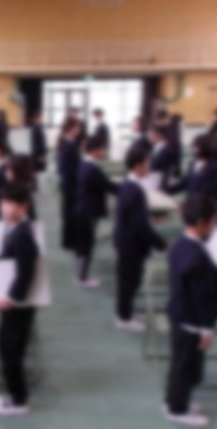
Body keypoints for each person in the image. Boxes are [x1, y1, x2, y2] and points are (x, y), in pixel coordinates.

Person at [163, 196, 217, 428]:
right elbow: (203, 298)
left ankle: (173, 401)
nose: (215, 224)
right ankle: (177, 410)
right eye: (213, 220)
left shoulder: (180, 245)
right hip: (192, 321)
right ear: (201, 222)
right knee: (186, 367)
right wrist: (206, 329)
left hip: (178, 314)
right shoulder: (197, 256)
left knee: (179, 364)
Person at [0, 183, 39, 417]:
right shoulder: (13, 228)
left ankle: (19, 401)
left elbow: (25, 274)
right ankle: (13, 394)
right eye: (3, 203)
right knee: (5, 347)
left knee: (11, 353)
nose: (5, 208)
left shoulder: (23, 235)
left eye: (11, 204)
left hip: (18, 305)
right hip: (10, 301)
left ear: (24, 207)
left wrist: (11, 298)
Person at [113, 146, 167, 331]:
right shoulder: (134, 190)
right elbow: (139, 225)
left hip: (126, 240)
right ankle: (123, 318)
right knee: (129, 282)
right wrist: (160, 243)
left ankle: (127, 311)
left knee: (130, 280)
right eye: (147, 163)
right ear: (138, 166)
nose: (149, 167)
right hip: (131, 244)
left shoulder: (128, 185)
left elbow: (136, 217)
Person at [74, 135, 118, 288]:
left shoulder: (85, 164)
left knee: (84, 244)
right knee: (87, 244)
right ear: (94, 150)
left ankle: (81, 275)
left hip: (83, 208)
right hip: (88, 211)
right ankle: (83, 277)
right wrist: (129, 189)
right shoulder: (92, 168)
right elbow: (108, 186)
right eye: (102, 149)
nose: (103, 152)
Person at [167, 134, 217, 203]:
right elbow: (185, 182)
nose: (194, 149)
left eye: (196, 147)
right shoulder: (193, 164)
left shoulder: (215, 167)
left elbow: (212, 190)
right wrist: (167, 190)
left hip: (204, 205)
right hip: (191, 203)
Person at [57, 117, 83, 251]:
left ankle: (69, 240)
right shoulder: (69, 144)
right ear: (71, 128)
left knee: (69, 212)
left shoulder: (67, 142)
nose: (79, 130)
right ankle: (69, 241)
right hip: (71, 183)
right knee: (70, 213)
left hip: (68, 182)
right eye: (77, 127)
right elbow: (69, 167)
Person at [148, 125, 176, 191]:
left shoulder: (167, 150)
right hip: (152, 182)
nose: (149, 136)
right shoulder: (155, 147)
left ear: (159, 134)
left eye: (151, 133)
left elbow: (167, 171)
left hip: (159, 185)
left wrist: (163, 188)